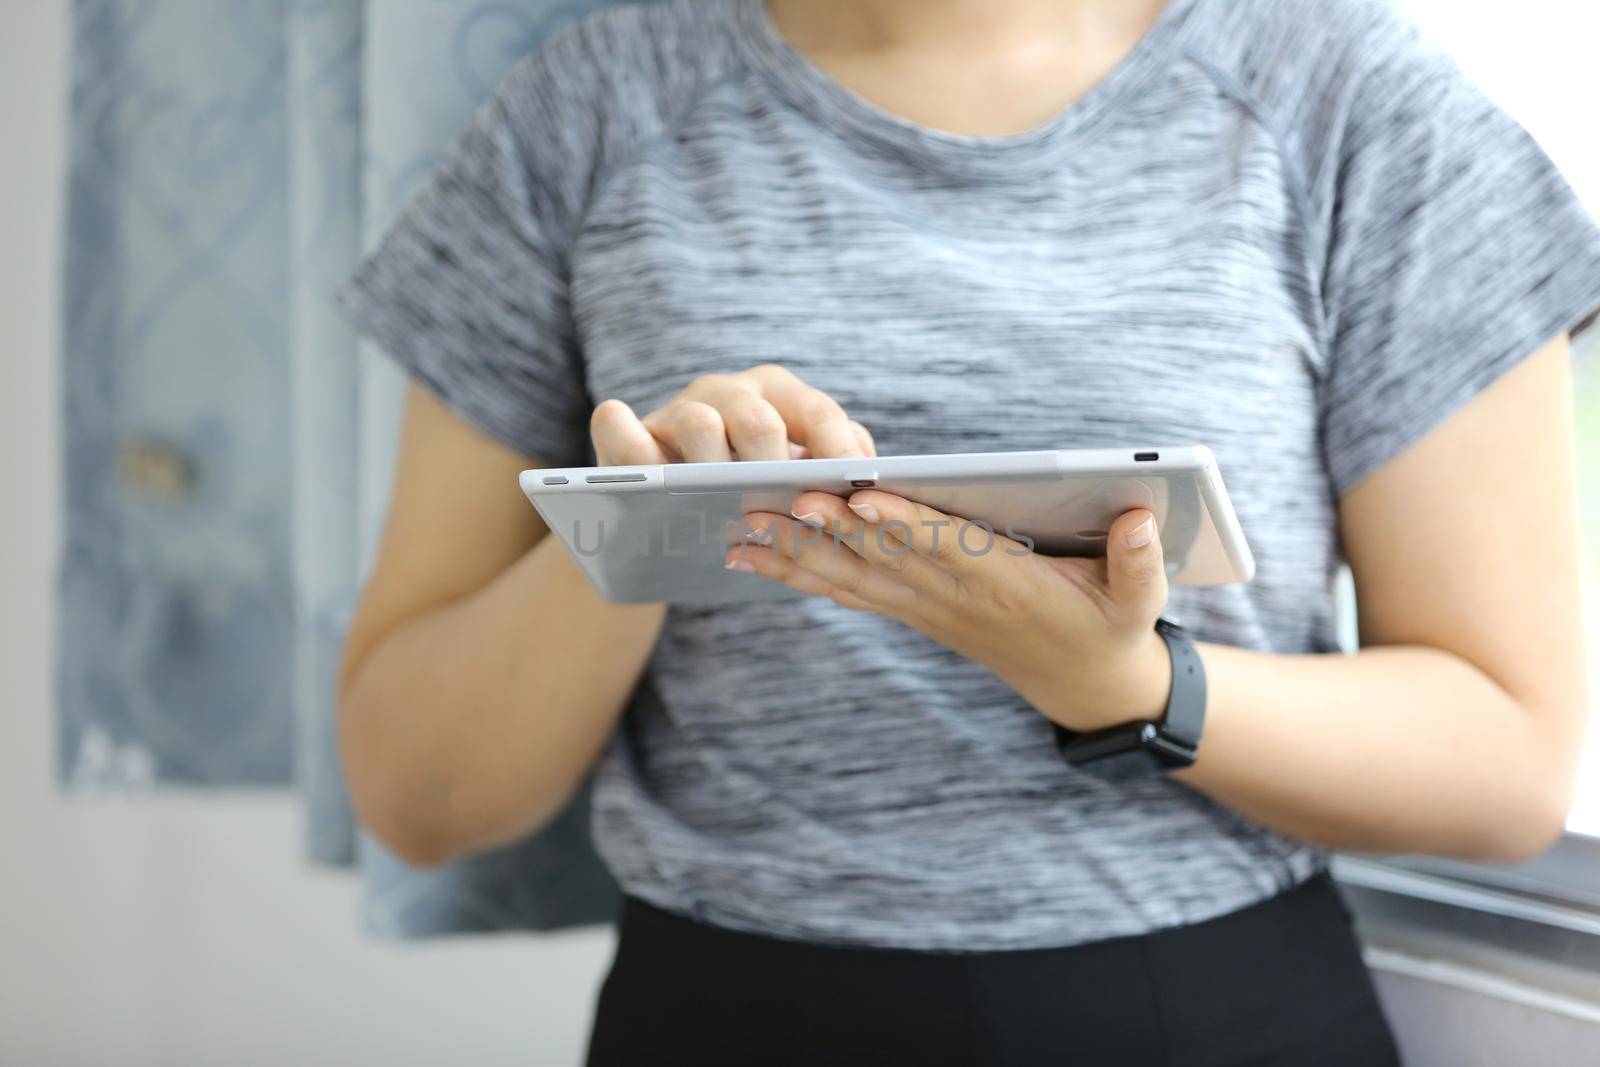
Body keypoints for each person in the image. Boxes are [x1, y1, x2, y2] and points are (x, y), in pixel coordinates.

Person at [333, 0, 1600, 1062]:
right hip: (719, 1013)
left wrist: (1126, 684)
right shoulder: (584, 117)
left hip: (1203, 1013)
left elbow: (1506, 761)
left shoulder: (1359, 109)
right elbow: (420, 794)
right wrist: (655, 522)